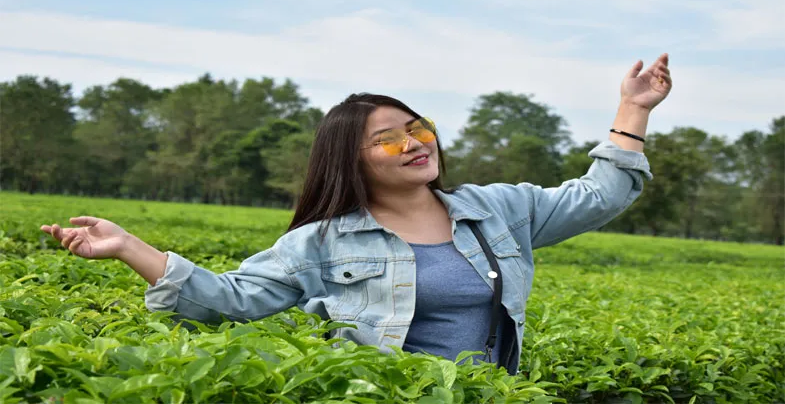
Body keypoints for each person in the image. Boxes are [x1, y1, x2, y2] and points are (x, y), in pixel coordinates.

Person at [41, 53, 671, 375]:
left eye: (416, 127)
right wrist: (128, 247)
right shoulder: (323, 242)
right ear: (353, 159)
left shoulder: (497, 210)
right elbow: (226, 300)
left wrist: (633, 110)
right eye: (389, 138)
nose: (416, 143)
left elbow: (602, 195)